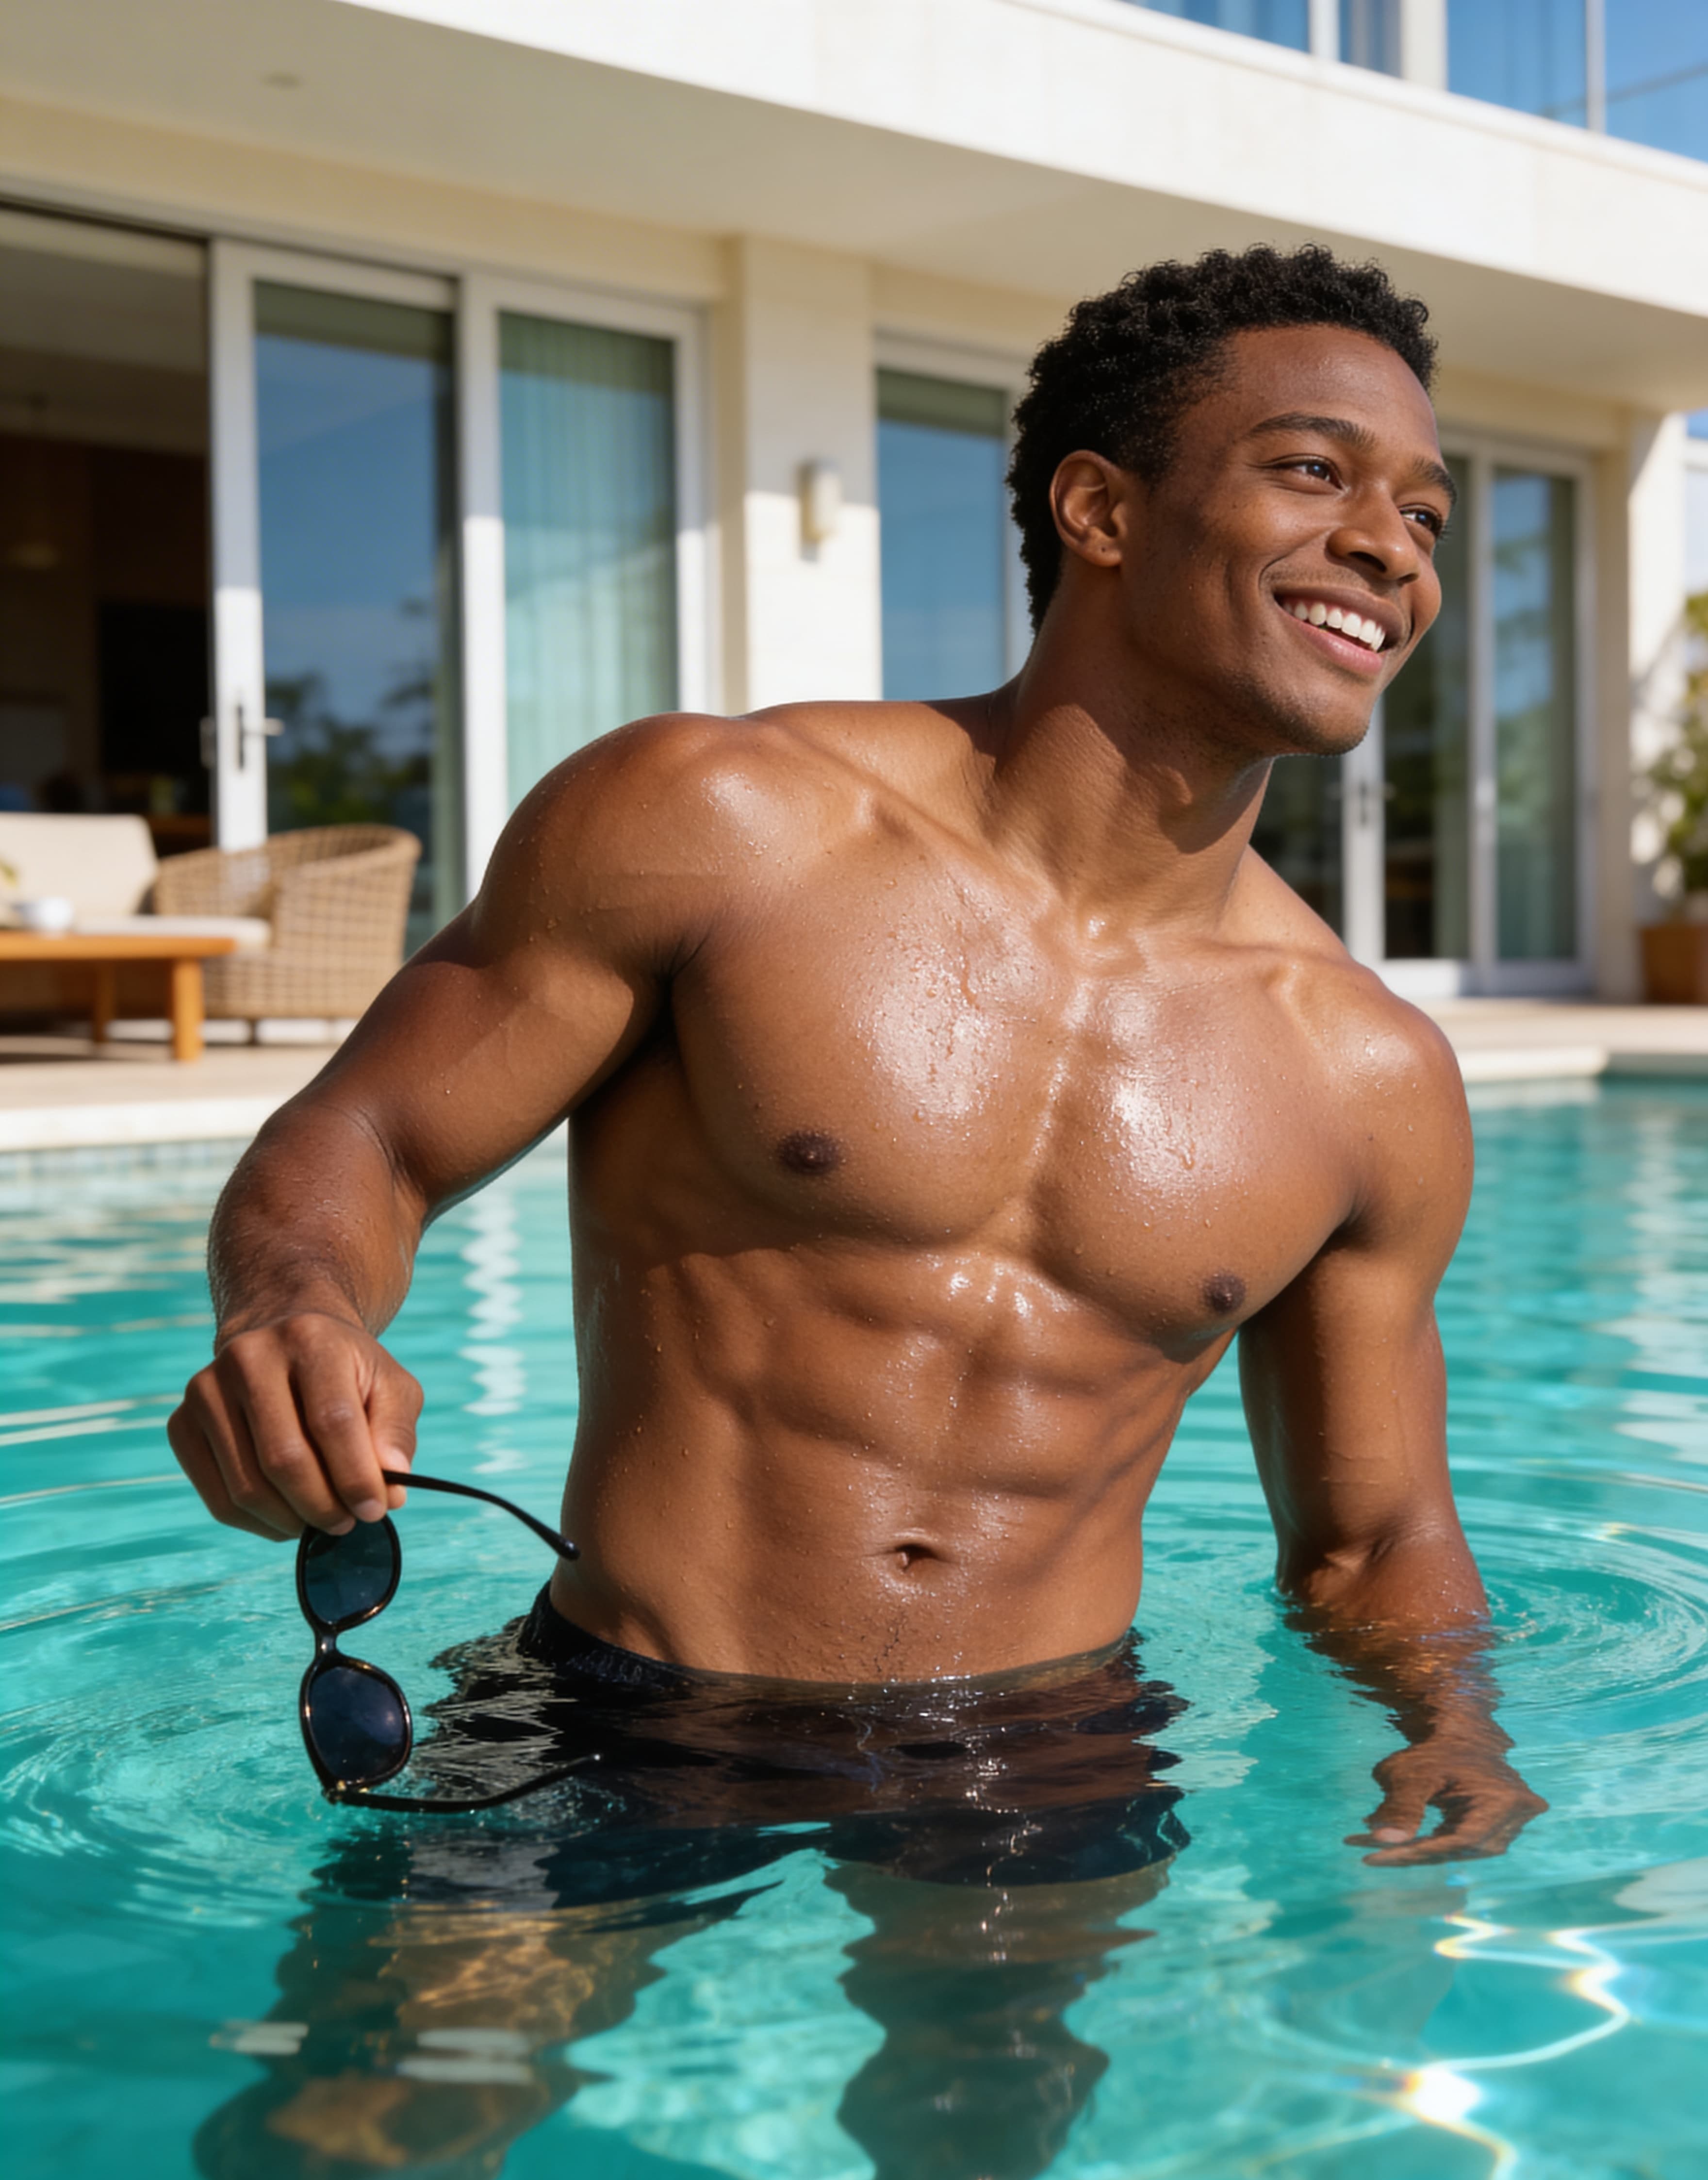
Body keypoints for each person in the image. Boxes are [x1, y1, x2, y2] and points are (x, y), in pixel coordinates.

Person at [170, 244, 1545, 1872]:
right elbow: (376, 1142)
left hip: (1046, 1738)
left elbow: (1373, 1533)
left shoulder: (1369, 1075)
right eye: (1316, 471)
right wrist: (296, 1312)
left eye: (1428, 516)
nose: (1390, 546)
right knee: (383, 2118)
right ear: (1098, 512)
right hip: (625, 1702)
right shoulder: (721, 825)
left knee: (1012, 2138)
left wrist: (1452, 1732)